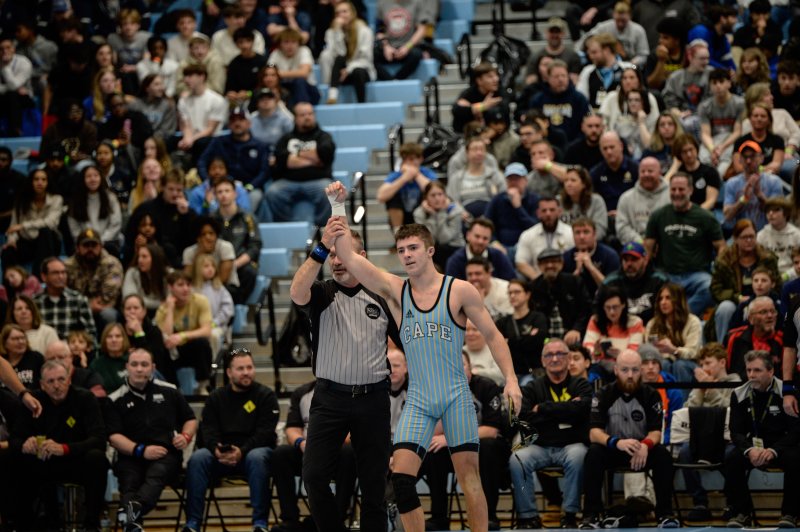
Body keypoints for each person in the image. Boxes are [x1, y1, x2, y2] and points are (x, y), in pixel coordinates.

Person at [327, 180, 522, 532]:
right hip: (419, 401)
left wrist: (511, 380)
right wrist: (337, 206)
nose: (407, 255)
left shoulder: (459, 290)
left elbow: (493, 335)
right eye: (401, 249)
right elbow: (350, 258)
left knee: (469, 479)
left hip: (455, 398)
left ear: (430, 251)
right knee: (401, 479)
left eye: (413, 247)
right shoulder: (396, 290)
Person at [289, 220, 400, 532]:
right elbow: (297, 293)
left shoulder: (382, 297)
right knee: (313, 477)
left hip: (373, 399)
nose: (337, 261)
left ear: (361, 255)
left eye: (343, 253)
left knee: (374, 486)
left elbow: (407, 342)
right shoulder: (323, 293)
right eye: (333, 254)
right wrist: (321, 248)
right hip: (330, 399)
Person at [580, 349, 680, 528]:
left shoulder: (651, 395)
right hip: (613, 448)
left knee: (663, 455)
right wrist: (616, 442)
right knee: (593, 454)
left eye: (635, 370)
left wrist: (645, 445)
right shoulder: (603, 394)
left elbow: (656, 432)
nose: (630, 375)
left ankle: (665, 514)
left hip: (641, 450)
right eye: (625, 370)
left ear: (640, 370)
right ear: (616, 370)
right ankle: (591, 515)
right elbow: (594, 433)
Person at [182, 349, 278, 532]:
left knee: (257, 457)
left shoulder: (265, 395)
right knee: (198, 458)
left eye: (249, 367)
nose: (246, 372)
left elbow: (265, 433)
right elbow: (208, 430)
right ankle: (192, 523)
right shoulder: (216, 398)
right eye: (240, 368)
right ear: (229, 372)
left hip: (254, 453)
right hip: (221, 456)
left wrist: (242, 450)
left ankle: (260, 524)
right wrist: (216, 449)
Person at [7, 360, 107, 530]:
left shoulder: (85, 398)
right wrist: (25, 444)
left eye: (61, 379)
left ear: (69, 380)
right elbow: (14, 440)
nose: (57, 386)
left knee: (97, 457)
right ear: (42, 385)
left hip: (75, 461)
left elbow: (99, 439)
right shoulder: (33, 401)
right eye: (51, 381)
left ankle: (92, 523)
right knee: (14, 459)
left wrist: (65, 449)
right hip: (42, 463)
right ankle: (23, 524)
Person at [107, 348, 197, 532]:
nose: (139, 369)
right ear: (127, 367)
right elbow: (113, 437)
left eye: (144, 364)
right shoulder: (114, 398)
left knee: (157, 473)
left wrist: (186, 436)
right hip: (130, 455)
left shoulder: (170, 391)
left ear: (153, 367)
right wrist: (141, 450)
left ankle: (131, 513)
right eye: (134, 364)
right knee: (129, 481)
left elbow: (190, 419)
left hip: (165, 454)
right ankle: (133, 522)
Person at [509, 337, 593, 529]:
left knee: (579, 455)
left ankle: (569, 515)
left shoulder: (581, 385)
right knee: (517, 459)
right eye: (549, 355)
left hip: (572, 445)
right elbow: (526, 418)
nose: (554, 359)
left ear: (568, 357)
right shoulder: (532, 388)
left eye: (560, 354)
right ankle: (528, 516)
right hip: (540, 445)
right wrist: (567, 411)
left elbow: (583, 412)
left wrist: (544, 409)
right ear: (543, 360)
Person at [423, 353, 511, 530]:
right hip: (454, 450)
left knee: (487, 447)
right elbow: (434, 432)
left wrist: (450, 438)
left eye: (461, 365)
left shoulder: (486, 386)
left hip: (483, 449)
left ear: (470, 368)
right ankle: (439, 516)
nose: (456, 369)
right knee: (433, 448)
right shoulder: (440, 389)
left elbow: (491, 431)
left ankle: (489, 515)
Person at [723, 350, 800, 528]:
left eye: (757, 370)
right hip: (754, 447)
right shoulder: (739, 393)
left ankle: (790, 513)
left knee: (796, 458)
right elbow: (736, 431)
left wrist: (774, 451)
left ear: (771, 371)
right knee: (732, 458)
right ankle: (742, 512)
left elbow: (796, 431)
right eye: (749, 370)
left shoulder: (788, 393)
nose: (751, 375)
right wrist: (749, 450)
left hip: (782, 445)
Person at [269, 380, 358, 531]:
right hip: (307, 448)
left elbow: (354, 429)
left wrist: (325, 445)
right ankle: (290, 519)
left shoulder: (350, 390)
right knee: (280, 454)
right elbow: (291, 428)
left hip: (336, 450)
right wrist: (301, 443)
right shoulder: (302, 392)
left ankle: (337, 517)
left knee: (348, 452)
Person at [644, 173, 726, 315]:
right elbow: (647, 249)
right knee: (649, 287)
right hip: (666, 274)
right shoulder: (658, 216)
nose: (677, 193)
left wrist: (718, 269)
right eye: (673, 189)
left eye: (681, 189)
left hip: (696, 275)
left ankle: (682, 315)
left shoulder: (705, 217)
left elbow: (721, 246)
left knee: (709, 287)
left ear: (690, 190)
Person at [679, 343, 741, 521]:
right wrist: (700, 389)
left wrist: (711, 390)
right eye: (702, 364)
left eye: (708, 363)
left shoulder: (734, 382)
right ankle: (699, 502)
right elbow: (687, 410)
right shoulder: (700, 385)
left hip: (725, 440)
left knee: (732, 455)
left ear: (722, 362)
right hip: (700, 440)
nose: (704, 368)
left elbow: (729, 408)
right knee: (684, 452)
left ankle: (732, 502)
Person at [265, 102, 335, 226]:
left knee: (329, 191)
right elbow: (281, 159)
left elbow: (325, 153)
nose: (307, 117)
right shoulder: (286, 138)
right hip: (288, 181)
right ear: (295, 118)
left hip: (318, 180)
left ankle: (321, 228)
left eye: (310, 113)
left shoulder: (324, 136)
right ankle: (286, 227)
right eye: (302, 115)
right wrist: (313, 158)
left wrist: (294, 156)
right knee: (272, 192)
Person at [711, 219, 780, 343]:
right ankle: (724, 348)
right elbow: (716, 289)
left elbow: (777, 284)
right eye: (744, 237)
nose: (749, 240)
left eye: (751, 236)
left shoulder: (767, 258)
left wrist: (764, 297)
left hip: (764, 298)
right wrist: (737, 298)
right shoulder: (724, 260)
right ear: (735, 239)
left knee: (774, 306)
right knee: (725, 308)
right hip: (735, 301)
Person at [196, 106, 270, 212]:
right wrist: (207, 180)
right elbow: (202, 161)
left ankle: (244, 224)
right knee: (202, 194)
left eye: (241, 120)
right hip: (221, 186)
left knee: (254, 196)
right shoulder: (218, 142)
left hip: (248, 188)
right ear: (229, 125)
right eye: (233, 120)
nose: (237, 123)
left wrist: (250, 186)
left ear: (249, 123)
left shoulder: (260, 146)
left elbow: (264, 172)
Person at [155, 271, 214, 396]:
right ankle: (172, 389)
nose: (186, 289)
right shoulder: (163, 309)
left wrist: (182, 336)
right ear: (170, 287)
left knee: (202, 342)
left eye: (188, 284)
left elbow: (207, 330)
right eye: (180, 285)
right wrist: (170, 309)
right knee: (161, 349)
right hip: (174, 352)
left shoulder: (200, 301)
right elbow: (165, 336)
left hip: (193, 348)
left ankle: (203, 386)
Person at [125, 168, 197, 268]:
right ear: (162, 187)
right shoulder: (145, 209)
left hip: (179, 261)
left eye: (179, 190)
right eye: (171, 189)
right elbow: (130, 237)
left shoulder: (189, 213)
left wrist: (185, 216)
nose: (175, 194)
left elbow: (192, 242)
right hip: (150, 259)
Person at [1, 168, 63, 275]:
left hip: (49, 242)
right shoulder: (21, 200)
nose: (40, 183)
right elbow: (13, 226)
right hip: (27, 242)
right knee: (7, 251)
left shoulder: (56, 199)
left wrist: (23, 225)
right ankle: (10, 287)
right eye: (36, 179)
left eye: (43, 180)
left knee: (45, 231)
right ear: (31, 182)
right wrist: (12, 240)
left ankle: (38, 279)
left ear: (48, 182)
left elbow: (51, 222)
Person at [64, 228, 124, 332]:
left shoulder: (112, 264)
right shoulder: (68, 266)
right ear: (78, 248)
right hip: (76, 309)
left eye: (94, 245)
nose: (90, 249)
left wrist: (85, 304)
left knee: (108, 314)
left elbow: (108, 296)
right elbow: (64, 293)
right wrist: (87, 305)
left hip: (105, 308)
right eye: (86, 246)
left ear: (101, 246)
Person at [212, 178, 261, 302]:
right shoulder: (211, 220)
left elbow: (255, 246)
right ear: (215, 195)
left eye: (227, 191)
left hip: (240, 264)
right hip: (217, 265)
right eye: (219, 192)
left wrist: (235, 264)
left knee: (250, 272)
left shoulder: (247, 218)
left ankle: (236, 305)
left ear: (235, 193)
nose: (223, 195)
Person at [317, 1, 375, 104]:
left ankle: (362, 103)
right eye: (338, 13)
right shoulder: (331, 32)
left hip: (360, 70)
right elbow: (340, 54)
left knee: (358, 71)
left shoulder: (365, 31)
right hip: (338, 72)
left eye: (344, 11)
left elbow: (366, 59)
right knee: (330, 56)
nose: (341, 15)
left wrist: (348, 69)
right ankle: (332, 94)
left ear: (352, 13)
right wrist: (338, 31)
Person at [583, 285, 645, 377]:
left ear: (623, 305)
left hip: (626, 367)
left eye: (615, 307)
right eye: (608, 307)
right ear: (603, 307)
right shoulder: (595, 320)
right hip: (600, 366)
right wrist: (597, 352)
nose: (612, 312)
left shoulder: (635, 322)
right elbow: (587, 348)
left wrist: (620, 354)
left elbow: (634, 352)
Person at [645, 283, 702, 383]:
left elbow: (693, 352)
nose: (663, 302)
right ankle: (663, 398)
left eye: (668, 298)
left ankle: (683, 399)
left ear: (678, 300)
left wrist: (674, 350)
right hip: (664, 361)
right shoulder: (652, 324)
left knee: (680, 365)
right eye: (660, 299)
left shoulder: (693, 322)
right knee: (664, 364)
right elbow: (648, 352)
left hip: (688, 364)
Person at [174, 63, 228, 167]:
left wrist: (191, 139)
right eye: (185, 76)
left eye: (190, 76)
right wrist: (187, 138)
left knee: (202, 143)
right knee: (171, 141)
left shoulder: (216, 100)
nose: (186, 80)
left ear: (201, 77)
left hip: (210, 139)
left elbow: (210, 129)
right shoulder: (183, 100)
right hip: (191, 137)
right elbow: (186, 125)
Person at [723, 142, 785, 230]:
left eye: (752, 156)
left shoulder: (774, 181)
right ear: (740, 160)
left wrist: (760, 195)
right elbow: (727, 216)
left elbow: (780, 215)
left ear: (761, 158)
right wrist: (743, 199)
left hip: (768, 234)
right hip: (741, 236)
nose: (748, 161)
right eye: (745, 157)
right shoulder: (731, 183)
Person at [483, 162, 540, 259]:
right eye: (510, 179)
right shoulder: (497, 200)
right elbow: (486, 224)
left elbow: (536, 228)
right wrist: (493, 241)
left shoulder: (535, 200)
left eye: (517, 179)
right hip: (502, 246)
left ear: (525, 181)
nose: (513, 182)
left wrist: (518, 207)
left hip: (528, 245)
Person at [604, 242, 670, 324]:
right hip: (621, 331)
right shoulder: (611, 282)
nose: (629, 264)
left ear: (645, 260)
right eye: (625, 260)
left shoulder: (659, 280)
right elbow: (598, 310)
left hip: (652, 329)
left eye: (634, 259)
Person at [376, 142, 435, 233]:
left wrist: (416, 175)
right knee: (392, 198)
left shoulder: (426, 173)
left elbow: (434, 190)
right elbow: (380, 197)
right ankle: (398, 234)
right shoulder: (396, 175)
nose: (410, 162)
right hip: (403, 217)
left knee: (432, 197)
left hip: (422, 213)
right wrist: (404, 178)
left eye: (413, 159)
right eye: (407, 159)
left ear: (421, 159)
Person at [35, 257, 97, 340]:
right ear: (44, 276)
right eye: (55, 273)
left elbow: (91, 334)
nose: (61, 277)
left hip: (72, 350)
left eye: (63, 273)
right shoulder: (35, 302)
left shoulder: (78, 300)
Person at [67, 162, 123, 253]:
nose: (93, 179)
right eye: (88, 176)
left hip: (107, 242)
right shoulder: (76, 200)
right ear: (83, 179)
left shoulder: (110, 198)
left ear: (101, 178)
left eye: (96, 175)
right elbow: (74, 229)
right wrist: (86, 241)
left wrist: (100, 241)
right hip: (83, 243)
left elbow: (115, 224)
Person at [698, 68, 744, 177]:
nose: (718, 86)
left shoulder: (740, 104)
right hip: (712, 141)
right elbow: (705, 133)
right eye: (714, 83)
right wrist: (713, 149)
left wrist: (722, 148)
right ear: (710, 86)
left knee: (723, 165)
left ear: (729, 83)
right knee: (703, 160)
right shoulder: (705, 106)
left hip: (731, 140)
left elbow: (738, 132)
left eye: (721, 82)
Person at [516, 196, 575, 280]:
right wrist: (539, 281)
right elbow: (521, 263)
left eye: (552, 210)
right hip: (536, 280)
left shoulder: (570, 233)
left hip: (565, 280)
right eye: (544, 211)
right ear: (538, 213)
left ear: (559, 212)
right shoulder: (528, 235)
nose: (548, 214)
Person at [530, 60, 591, 141]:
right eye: (556, 76)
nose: (561, 79)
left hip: (574, 145)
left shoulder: (579, 99)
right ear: (548, 78)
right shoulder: (538, 100)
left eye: (563, 76)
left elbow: (586, 124)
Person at [446, 137, 505, 219]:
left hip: (491, 218)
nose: (479, 153)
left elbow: (503, 197)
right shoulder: (456, 178)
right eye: (475, 149)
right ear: (467, 152)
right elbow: (451, 200)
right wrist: (461, 213)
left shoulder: (495, 175)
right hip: (464, 219)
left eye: (482, 149)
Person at [576, 2, 649, 68]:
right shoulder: (604, 27)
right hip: (607, 65)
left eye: (623, 21)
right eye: (618, 20)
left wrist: (630, 65)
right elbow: (586, 39)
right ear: (613, 15)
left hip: (631, 65)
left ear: (630, 16)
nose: (620, 23)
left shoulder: (638, 30)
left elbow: (643, 55)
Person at [726, 296, 783, 380]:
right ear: (750, 318)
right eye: (763, 312)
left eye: (773, 311)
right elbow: (727, 370)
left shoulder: (783, 339)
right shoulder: (734, 337)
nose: (770, 316)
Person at [615, 157, 670, 244]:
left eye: (650, 171)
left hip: (667, 244)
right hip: (636, 247)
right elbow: (622, 228)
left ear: (660, 173)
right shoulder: (626, 198)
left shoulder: (672, 195)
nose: (646, 174)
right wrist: (641, 242)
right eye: (643, 171)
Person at [413, 181, 465, 270]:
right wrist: (433, 215)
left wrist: (441, 213)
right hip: (433, 249)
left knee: (441, 249)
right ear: (426, 198)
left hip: (454, 248)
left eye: (440, 194)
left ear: (445, 196)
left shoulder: (455, 210)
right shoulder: (419, 213)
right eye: (433, 195)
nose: (437, 198)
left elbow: (444, 239)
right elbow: (430, 239)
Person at [445, 218, 516, 281]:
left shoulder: (498, 257)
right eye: (477, 236)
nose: (480, 241)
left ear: (490, 240)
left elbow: (512, 281)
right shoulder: (455, 261)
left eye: (485, 238)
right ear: (468, 235)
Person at [576, 32, 635, 109]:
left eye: (594, 52)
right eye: (589, 53)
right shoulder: (587, 71)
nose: (591, 56)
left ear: (606, 50)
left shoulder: (628, 68)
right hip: (595, 116)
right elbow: (581, 99)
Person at [562, 218, 620, 296]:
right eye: (577, 233)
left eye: (586, 232)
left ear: (594, 234)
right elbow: (564, 293)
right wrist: (577, 272)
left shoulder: (610, 255)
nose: (581, 237)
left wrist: (591, 267)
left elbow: (612, 290)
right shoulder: (566, 257)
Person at [373, 0, 426, 81]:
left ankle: (398, 80)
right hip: (388, 49)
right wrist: (386, 46)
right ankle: (390, 81)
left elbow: (422, 29)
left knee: (416, 54)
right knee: (370, 56)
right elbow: (379, 30)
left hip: (408, 47)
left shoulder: (417, 2)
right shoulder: (382, 3)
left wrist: (407, 47)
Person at [267, 28, 320, 106]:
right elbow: (269, 70)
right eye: (286, 42)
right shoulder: (275, 54)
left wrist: (279, 73)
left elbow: (304, 73)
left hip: (308, 91)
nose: (290, 46)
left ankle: (302, 110)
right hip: (285, 89)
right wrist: (276, 74)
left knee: (299, 81)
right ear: (280, 43)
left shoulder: (304, 51)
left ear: (299, 43)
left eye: (293, 42)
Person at [667, 134, 721, 210]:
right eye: (684, 152)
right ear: (679, 155)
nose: (689, 154)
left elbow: (710, 201)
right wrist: (675, 165)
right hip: (679, 214)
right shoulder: (677, 173)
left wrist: (693, 214)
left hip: (703, 214)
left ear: (696, 149)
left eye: (691, 149)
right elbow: (664, 188)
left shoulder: (710, 172)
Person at [452, 62, 507, 136]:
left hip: (495, 134)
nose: (496, 79)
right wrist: (483, 106)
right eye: (490, 77)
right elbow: (456, 110)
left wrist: (473, 108)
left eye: (496, 75)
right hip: (471, 134)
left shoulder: (500, 92)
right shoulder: (470, 93)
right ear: (479, 81)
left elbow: (504, 110)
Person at [558, 165, 610, 243]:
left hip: (591, 244)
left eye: (573, 180)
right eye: (566, 180)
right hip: (564, 244)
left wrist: (583, 242)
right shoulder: (558, 201)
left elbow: (600, 229)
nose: (568, 184)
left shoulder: (596, 201)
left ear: (584, 184)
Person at [590, 131, 639, 212]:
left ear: (621, 146)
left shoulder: (636, 169)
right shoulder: (595, 173)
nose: (609, 152)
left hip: (631, 214)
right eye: (605, 148)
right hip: (605, 216)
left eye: (612, 147)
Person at [758, 198, 800, 280]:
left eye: (775, 210)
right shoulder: (761, 235)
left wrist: (786, 276)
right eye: (768, 211)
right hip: (768, 278)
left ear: (786, 213)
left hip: (794, 276)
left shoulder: (797, 235)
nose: (770, 214)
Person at [0, 35, 34, 137]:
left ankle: (15, 131)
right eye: (1, 49)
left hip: (24, 98)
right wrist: (9, 88)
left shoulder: (24, 62)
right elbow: (13, 86)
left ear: (14, 48)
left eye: (8, 47)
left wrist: (5, 67)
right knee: (11, 94)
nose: (5, 51)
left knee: (13, 96)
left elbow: (14, 85)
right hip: (3, 97)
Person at [686, 5, 737, 72]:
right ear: (722, 19)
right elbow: (701, 59)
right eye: (733, 17)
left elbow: (728, 59)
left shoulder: (723, 38)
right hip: (679, 68)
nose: (736, 21)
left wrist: (734, 72)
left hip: (708, 71)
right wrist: (725, 70)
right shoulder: (700, 32)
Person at [123, 242, 169, 314]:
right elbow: (130, 299)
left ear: (155, 258)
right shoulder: (132, 273)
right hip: (139, 313)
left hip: (164, 312)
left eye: (144, 257)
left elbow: (172, 300)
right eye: (139, 256)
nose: (140, 260)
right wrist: (160, 304)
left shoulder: (168, 274)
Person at [224, 28, 267, 105]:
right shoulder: (234, 63)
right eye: (241, 42)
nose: (245, 45)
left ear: (253, 42)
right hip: (238, 100)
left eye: (248, 41)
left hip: (259, 98)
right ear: (236, 44)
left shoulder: (262, 61)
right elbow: (229, 87)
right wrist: (231, 93)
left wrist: (249, 93)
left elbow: (265, 85)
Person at [0, 323, 44, 390]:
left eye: (23, 338)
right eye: (15, 339)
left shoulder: (36, 358)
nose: (21, 342)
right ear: (4, 342)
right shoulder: (1, 361)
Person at [463, 319, 505, 387]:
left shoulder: (496, 350)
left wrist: (477, 372)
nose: (470, 333)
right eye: (467, 330)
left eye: (475, 329)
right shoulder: (458, 352)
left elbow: (501, 375)